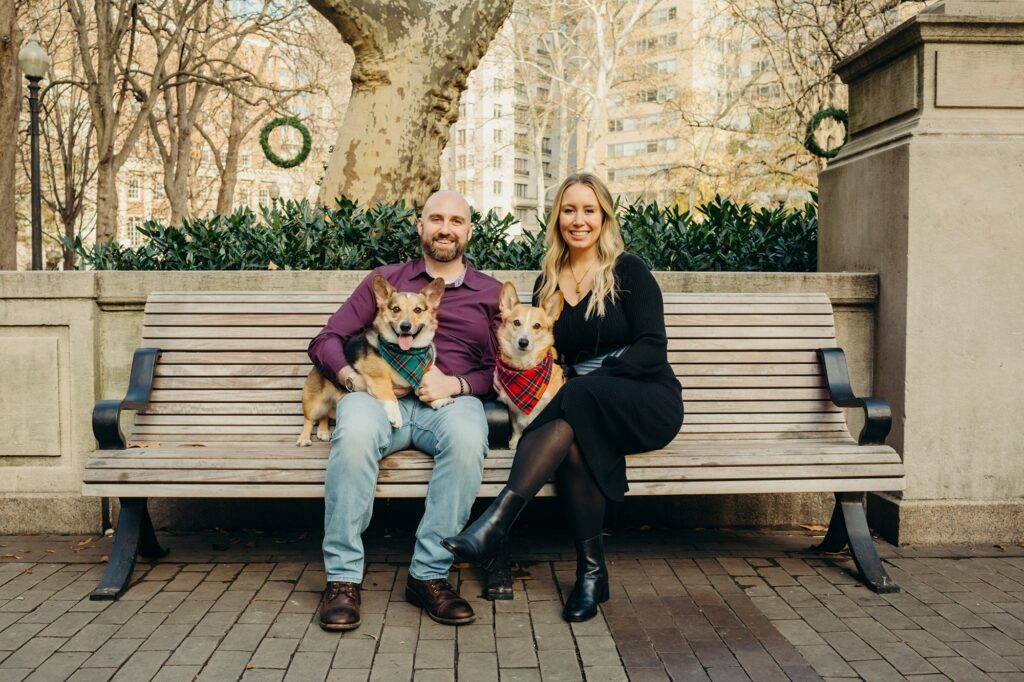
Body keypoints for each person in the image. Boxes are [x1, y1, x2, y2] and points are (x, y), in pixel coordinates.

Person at [443, 173, 684, 622]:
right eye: (569, 210)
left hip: (645, 399)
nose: (579, 220)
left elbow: (653, 347)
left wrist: (596, 376)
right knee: (571, 440)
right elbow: (540, 356)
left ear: (604, 217)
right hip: (584, 407)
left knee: (577, 396)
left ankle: (496, 522)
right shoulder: (547, 283)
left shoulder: (628, 270)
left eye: (589, 210)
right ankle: (592, 574)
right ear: (557, 219)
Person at [308, 190, 502, 631]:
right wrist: (353, 381)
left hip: (448, 404)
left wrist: (458, 383)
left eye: (456, 220)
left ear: (469, 231)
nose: (445, 228)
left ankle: (429, 576)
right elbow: (326, 340)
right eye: (436, 218)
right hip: (378, 397)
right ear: (421, 225)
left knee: (470, 436)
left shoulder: (489, 293)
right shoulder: (386, 281)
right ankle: (342, 579)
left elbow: (507, 368)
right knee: (353, 429)